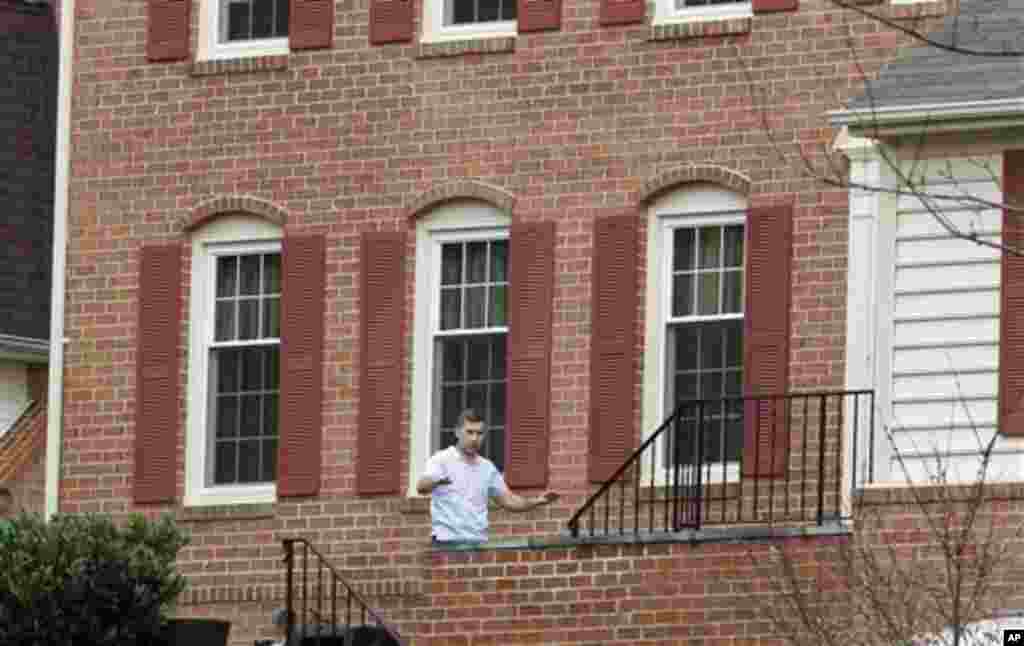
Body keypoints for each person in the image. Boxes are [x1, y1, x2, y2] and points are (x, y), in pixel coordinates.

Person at [417, 409, 559, 545]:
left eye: (479, 433)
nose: (474, 438)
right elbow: (421, 487)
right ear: (457, 432)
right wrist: (436, 481)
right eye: (469, 432)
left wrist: (537, 501)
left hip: (478, 543)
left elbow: (509, 501)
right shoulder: (441, 460)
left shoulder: (487, 468)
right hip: (446, 542)